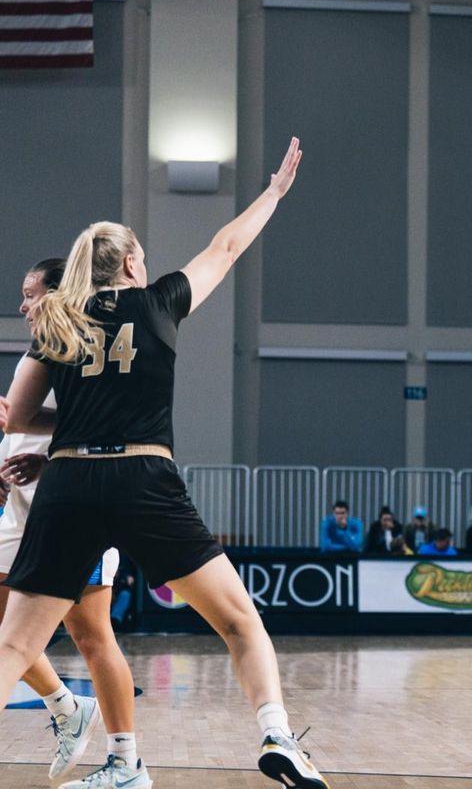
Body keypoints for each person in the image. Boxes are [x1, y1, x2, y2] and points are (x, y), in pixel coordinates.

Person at [0, 138, 326, 788]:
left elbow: (17, 419)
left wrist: (70, 440)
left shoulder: (56, 323)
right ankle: (277, 735)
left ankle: (122, 761)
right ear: (130, 263)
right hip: (144, 476)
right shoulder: (159, 302)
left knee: (13, 645)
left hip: (67, 481)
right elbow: (226, 247)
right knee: (238, 621)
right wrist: (273, 193)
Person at [0, 259, 141, 786]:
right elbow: (20, 427)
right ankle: (65, 706)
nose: (22, 305)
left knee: (90, 633)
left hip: (76, 500)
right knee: (5, 630)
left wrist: (50, 458)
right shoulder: (38, 350)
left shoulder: (92, 353)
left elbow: (112, 429)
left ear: (62, 295)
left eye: (30, 294)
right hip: (19, 507)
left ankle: (126, 758)